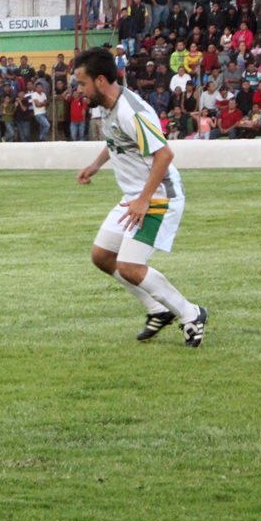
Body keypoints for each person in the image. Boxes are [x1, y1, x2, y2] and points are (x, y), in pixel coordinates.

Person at [72, 46, 208, 347]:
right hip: (135, 195)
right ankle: (157, 309)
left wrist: (144, 200)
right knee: (102, 256)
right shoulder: (108, 106)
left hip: (160, 195)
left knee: (130, 266)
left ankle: (190, 313)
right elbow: (117, 140)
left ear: (101, 81)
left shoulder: (130, 110)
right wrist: (95, 165)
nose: (79, 90)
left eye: (82, 83)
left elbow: (164, 155)